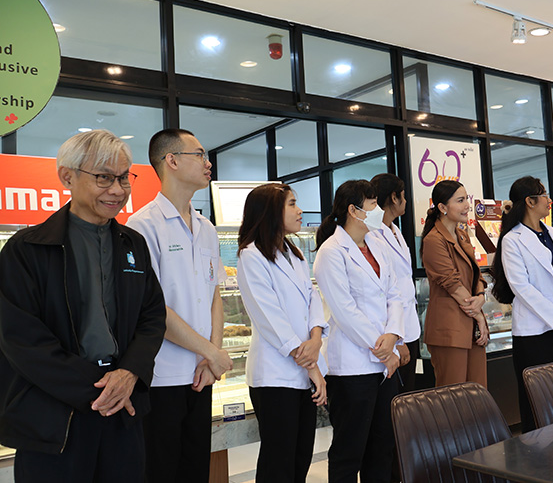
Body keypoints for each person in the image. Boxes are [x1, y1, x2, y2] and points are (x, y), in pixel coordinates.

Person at [0, 130, 166, 482]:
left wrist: (129, 373)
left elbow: (152, 316)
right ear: (67, 177)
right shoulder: (27, 248)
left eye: (124, 178)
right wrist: (101, 387)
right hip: (56, 415)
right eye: (104, 177)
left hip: (123, 408)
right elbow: (21, 339)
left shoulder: (132, 243)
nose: (118, 190)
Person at [126, 129, 233, 482]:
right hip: (162, 377)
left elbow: (215, 294)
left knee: (195, 470)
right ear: (171, 161)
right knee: (160, 470)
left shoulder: (206, 228)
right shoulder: (142, 226)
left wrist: (211, 355)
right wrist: (211, 353)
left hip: (201, 375)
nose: (208, 162)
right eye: (199, 154)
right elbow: (154, 309)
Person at [312, 180, 404, 483]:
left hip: (383, 361)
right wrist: (383, 349)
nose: (378, 210)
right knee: (350, 451)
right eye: (372, 204)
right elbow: (344, 310)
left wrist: (392, 336)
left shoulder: (377, 243)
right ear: (353, 210)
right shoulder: (331, 252)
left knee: (382, 447)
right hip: (352, 367)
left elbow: (395, 294)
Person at [236, 184, 328, 482]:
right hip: (275, 375)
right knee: (279, 461)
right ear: (271, 212)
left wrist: (316, 338)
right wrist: (311, 363)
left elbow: (313, 299)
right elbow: (270, 318)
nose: (299, 210)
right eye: (292, 204)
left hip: (302, 368)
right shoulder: (252, 257)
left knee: (301, 457)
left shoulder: (294, 252)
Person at [491, 176, 553, 432]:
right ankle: (537, 455)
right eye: (544, 194)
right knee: (537, 398)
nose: (549, 200)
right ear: (530, 202)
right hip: (535, 332)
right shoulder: (512, 240)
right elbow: (522, 288)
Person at [420, 180, 489, 387]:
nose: (467, 205)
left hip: (471, 326)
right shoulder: (433, 240)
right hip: (449, 329)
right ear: (442, 207)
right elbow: (451, 283)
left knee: (477, 392)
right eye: (460, 201)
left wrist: (481, 296)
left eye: (466, 199)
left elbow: (476, 273)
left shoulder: (461, 233)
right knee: (453, 397)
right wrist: (477, 313)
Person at [369, 173, 421, 391]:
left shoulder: (394, 229)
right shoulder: (372, 233)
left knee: (408, 395)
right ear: (393, 197)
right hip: (395, 332)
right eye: (404, 196)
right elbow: (388, 291)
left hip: (408, 326)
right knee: (398, 397)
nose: (406, 201)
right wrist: (400, 341)